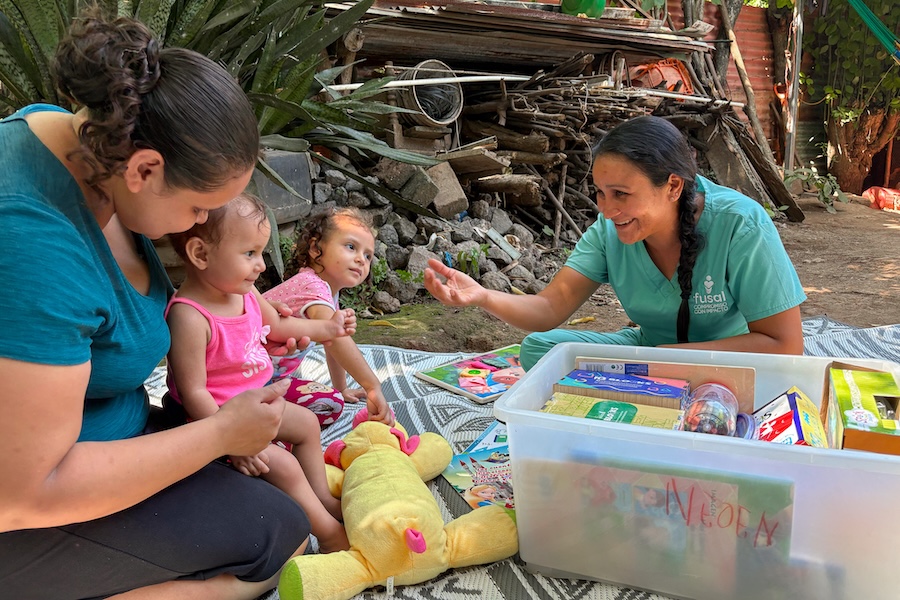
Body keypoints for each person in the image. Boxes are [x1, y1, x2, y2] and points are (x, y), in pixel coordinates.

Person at [0, 11, 310, 600]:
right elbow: (22, 493)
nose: (200, 226)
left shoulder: (77, 135)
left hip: (103, 437)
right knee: (278, 544)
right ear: (145, 169)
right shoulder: (33, 241)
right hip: (23, 505)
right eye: (199, 209)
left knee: (274, 494)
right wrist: (219, 435)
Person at [425, 116, 806, 370]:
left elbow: (785, 345)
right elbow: (548, 307)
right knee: (539, 349)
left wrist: (658, 361)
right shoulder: (610, 232)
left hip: (728, 364)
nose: (607, 210)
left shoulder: (741, 223)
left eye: (621, 193)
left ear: (673, 185)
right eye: (601, 193)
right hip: (649, 353)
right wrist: (484, 296)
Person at [165, 193, 351, 552]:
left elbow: (280, 325)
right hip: (214, 419)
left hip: (256, 403)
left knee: (308, 425)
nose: (262, 265)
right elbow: (194, 394)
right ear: (200, 254)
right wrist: (230, 440)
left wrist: (329, 330)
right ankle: (327, 533)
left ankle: (324, 498)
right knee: (283, 466)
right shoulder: (189, 316)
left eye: (261, 253)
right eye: (249, 254)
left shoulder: (245, 293)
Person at [263, 207, 394, 425]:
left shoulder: (328, 292)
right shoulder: (311, 286)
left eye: (368, 255)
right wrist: (372, 386)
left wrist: (341, 388)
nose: (361, 259)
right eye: (351, 247)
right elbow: (335, 339)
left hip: (266, 379)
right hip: (242, 378)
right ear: (315, 248)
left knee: (331, 402)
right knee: (328, 405)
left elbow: (331, 342)